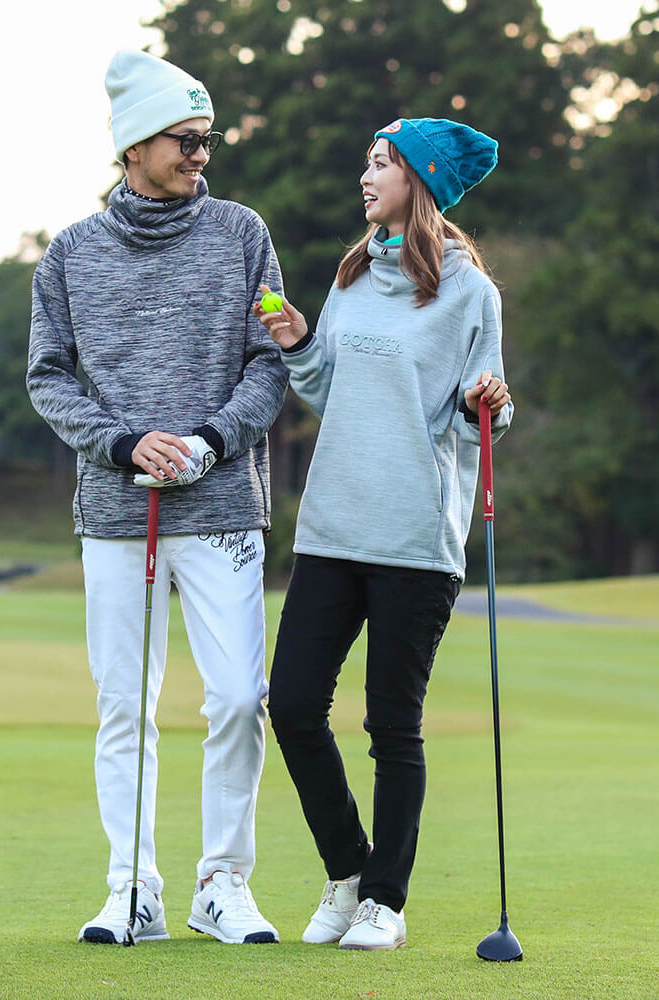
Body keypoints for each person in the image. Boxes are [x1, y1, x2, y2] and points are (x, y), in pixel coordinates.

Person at [27, 49, 288, 945]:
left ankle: (223, 883)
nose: (200, 155)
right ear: (134, 145)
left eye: (208, 139)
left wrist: (210, 441)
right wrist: (120, 441)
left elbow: (269, 363)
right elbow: (48, 377)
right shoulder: (70, 254)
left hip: (222, 510)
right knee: (124, 707)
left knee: (239, 699)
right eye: (185, 139)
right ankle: (132, 889)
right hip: (115, 514)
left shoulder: (243, 233)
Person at [254, 117, 513, 950]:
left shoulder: (470, 293)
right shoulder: (355, 274)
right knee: (293, 705)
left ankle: (385, 904)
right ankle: (348, 872)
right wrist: (298, 342)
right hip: (332, 527)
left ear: (419, 181)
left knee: (392, 727)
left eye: (381, 164)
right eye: (366, 162)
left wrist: (490, 404)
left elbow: (481, 418)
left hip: (413, 539)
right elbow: (329, 391)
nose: (365, 177)